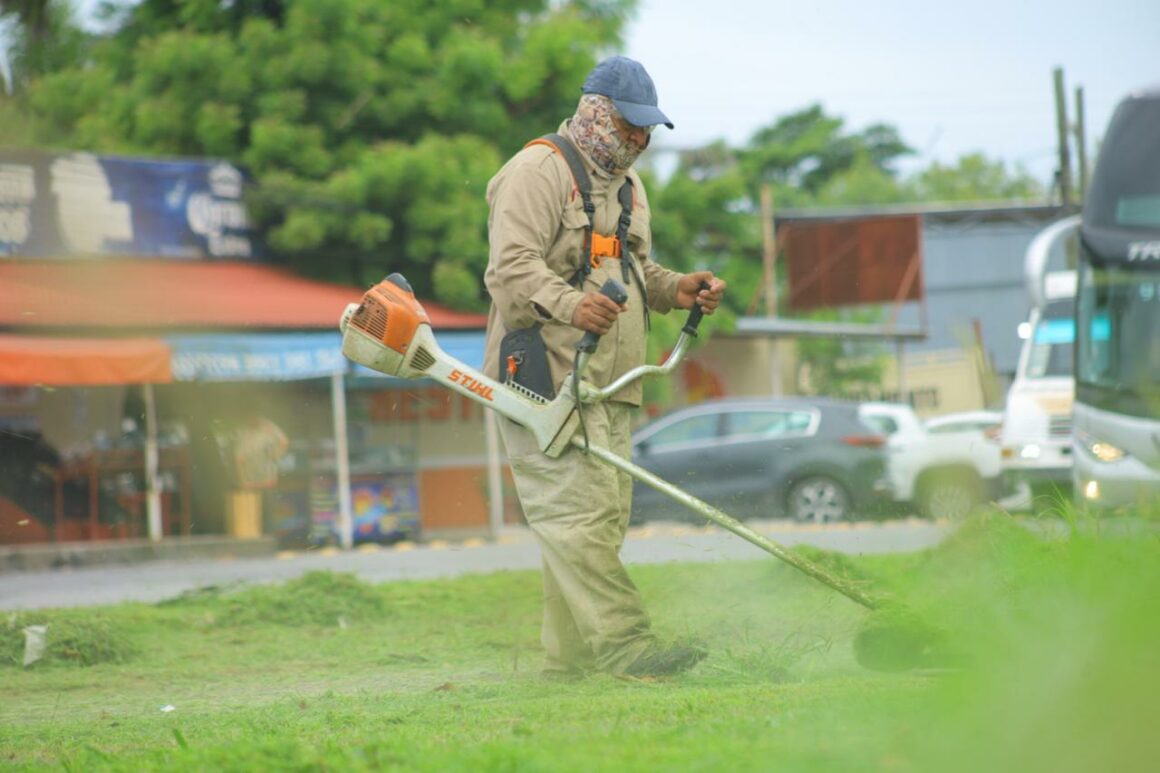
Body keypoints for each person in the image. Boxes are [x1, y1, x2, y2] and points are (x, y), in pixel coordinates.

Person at [483, 56, 726, 680]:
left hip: (611, 385)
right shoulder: (535, 172)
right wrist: (571, 304)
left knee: (597, 524)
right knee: (577, 520)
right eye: (629, 127)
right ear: (595, 113)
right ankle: (627, 650)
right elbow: (511, 273)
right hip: (543, 381)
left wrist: (678, 289)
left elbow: (634, 272)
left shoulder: (628, 186)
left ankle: (566, 667)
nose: (640, 141)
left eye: (647, 131)